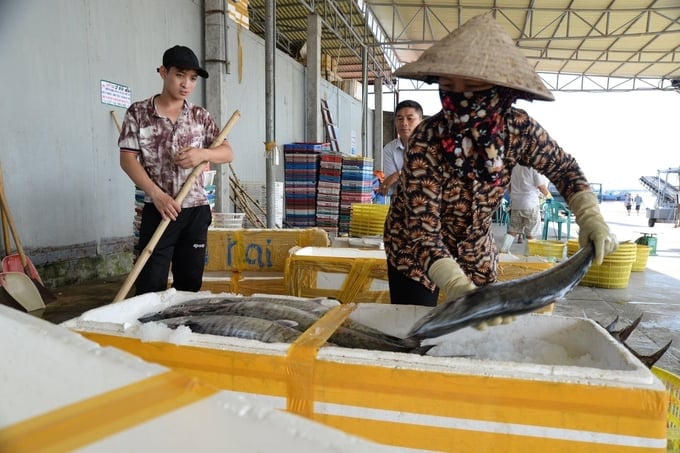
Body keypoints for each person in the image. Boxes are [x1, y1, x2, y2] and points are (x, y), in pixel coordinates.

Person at [383, 13, 618, 322]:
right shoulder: (427, 140)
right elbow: (422, 230)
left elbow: (564, 169)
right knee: (418, 328)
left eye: (471, 85)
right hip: (414, 250)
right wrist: (455, 285)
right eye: (449, 84)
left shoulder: (518, 129)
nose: (458, 96)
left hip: (475, 249)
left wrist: (591, 217)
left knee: (479, 336)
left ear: (497, 89)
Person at [118, 45, 234, 295]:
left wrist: (202, 154)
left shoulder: (200, 116)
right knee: (149, 283)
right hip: (158, 209)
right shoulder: (139, 113)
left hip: (195, 211)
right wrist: (156, 195)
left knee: (189, 284)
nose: (186, 84)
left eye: (192, 78)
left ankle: (181, 332)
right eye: (180, 75)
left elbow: (227, 152)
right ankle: (148, 333)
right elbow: (127, 159)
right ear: (163, 72)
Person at [499, 165, 551, 252]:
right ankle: (529, 257)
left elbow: (510, 186)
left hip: (516, 204)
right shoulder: (534, 168)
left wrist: (513, 197)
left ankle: (503, 251)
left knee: (512, 230)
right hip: (530, 205)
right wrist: (549, 196)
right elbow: (542, 187)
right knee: (531, 233)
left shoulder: (515, 167)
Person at [378, 100, 424, 197]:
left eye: (410, 118)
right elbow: (393, 186)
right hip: (401, 203)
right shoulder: (389, 149)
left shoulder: (431, 146)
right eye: (400, 119)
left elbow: (426, 179)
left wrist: (397, 175)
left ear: (421, 122)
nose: (404, 123)